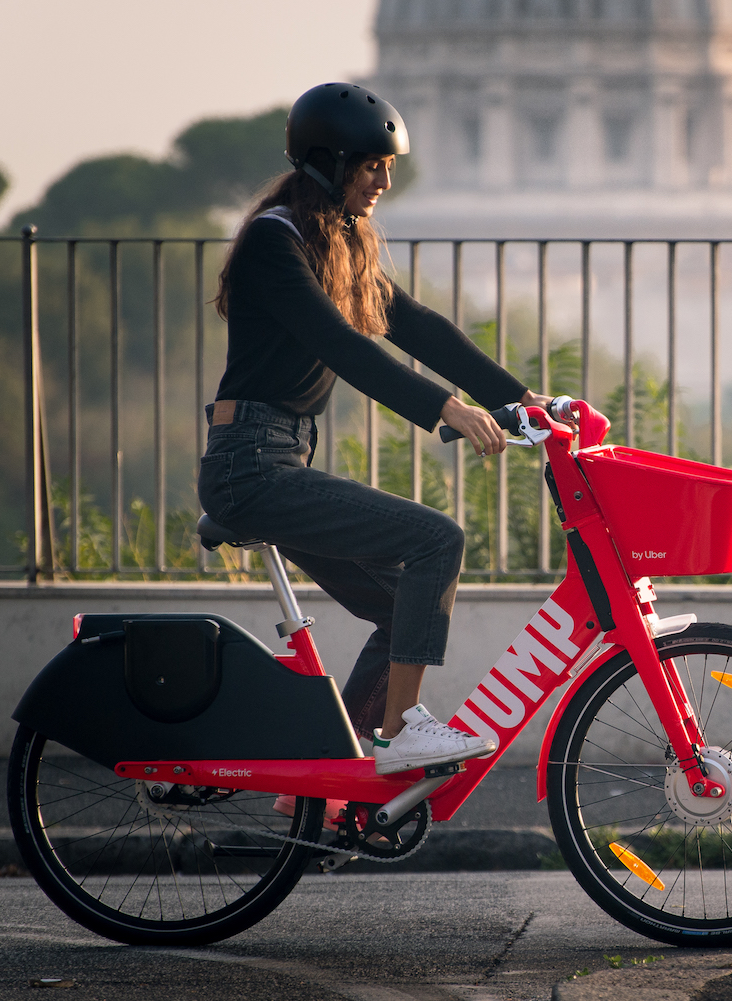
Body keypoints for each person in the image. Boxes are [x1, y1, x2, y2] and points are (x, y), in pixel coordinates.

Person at [198, 82, 567, 777]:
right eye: (372, 165)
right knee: (436, 539)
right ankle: (400, 731)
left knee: (406, 607)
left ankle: (325, 777)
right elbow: (343, 345)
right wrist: (443, 408)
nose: (384, 181)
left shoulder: (334, 239)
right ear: (327, 163)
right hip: (250, 467)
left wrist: (520, 401)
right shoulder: (274, 244)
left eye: (388, 167)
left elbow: (418, 327)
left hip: (279, 460)